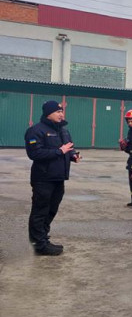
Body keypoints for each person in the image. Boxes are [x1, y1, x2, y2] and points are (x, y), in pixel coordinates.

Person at [25, 100, 80, 255]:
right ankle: (38, 244)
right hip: (43, 179)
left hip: (58, 178)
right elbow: (34, 153)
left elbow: (68, 148)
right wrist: (59, 151)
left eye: (62, 111)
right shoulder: (35, 131)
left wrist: (73, 155)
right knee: (40, 210)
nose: (61, 114)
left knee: (51, 210)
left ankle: (43, 238)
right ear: (48, 113)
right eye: (58, 112)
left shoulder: (63, 130)